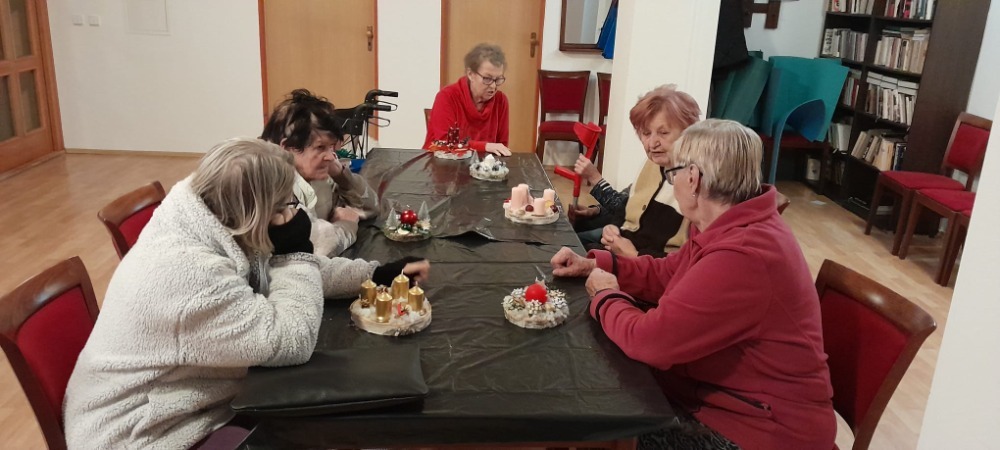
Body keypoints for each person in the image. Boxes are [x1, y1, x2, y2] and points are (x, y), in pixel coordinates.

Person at [63, 138, 430, 449]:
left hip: (180, 400)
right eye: (284, 205)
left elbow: (270, 268)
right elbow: (291, 340)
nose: (292, 212)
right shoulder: (190, 276)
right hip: (143, 433)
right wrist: (295, 251)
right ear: (255, 212)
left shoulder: (215, 216)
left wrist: (374, 275)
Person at [550, 120, 835, 450]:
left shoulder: (742, 255)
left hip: (758, 431)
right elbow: (668, 273)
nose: (672, 183)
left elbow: (649, 342)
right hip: (725, 400)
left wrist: (605, 296)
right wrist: (597, 265)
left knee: (594, 418)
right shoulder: (726, 223)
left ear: (694, 179)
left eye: (673, 174)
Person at [570, 84, 700, 258]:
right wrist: (612, 225)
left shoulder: (696, 183)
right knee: (565, 236)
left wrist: (634, 254)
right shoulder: (653, 163)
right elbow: (628, 205)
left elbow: (682, 260)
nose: (652, 143)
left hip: (641, 262)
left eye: (663, 133)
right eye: (646, 133)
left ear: (687, 133)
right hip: (622, 240)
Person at [261, 89, 379, 256]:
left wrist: (342, 176)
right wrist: (347, 224)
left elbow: (370, 208)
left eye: (331, 147)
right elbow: (315, 250)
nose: (330, 156)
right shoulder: (272, 188)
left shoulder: (317, 172)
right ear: (287, 148)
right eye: (320, 147)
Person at [423, 43, 512, 156]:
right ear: (470, 74)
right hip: (442, 161)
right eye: (487, 78)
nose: (493, 86)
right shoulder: (447, 96)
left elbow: (501, 146)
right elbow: (444, 143)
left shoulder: (501, 101)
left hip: (483, 164)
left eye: (498, 79)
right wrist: (485, 146)